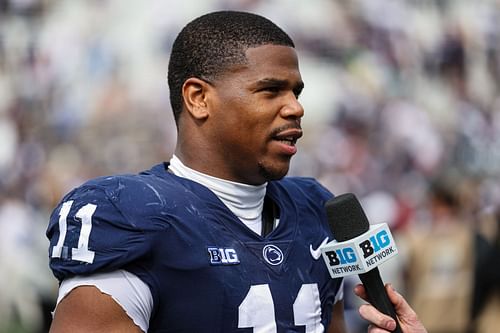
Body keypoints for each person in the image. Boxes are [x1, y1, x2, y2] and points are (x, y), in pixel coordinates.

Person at [46, 10, 426, 333]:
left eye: (296, 92)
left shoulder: (314, 210)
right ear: (198, 98)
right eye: (271, 90)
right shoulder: (132, 217)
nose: (295, 107)